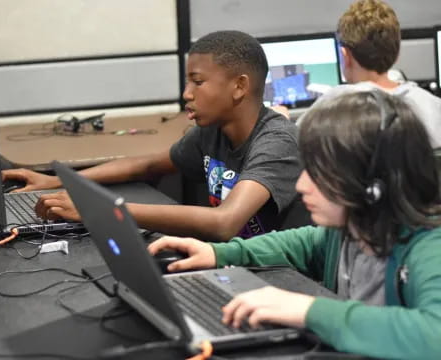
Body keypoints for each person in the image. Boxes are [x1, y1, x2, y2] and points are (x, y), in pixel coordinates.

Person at [148, 90, 441, 359]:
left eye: (317, 173)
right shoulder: (352, 232)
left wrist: (310, 310)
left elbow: (434, 336)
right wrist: (217, 253)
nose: (301, 185)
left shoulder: (429, 249)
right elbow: (305, 242)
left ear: (370, 185)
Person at [2, 30, 304, 242]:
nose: (186, 94)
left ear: (239, 86)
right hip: (229, 261)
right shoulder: (211, 131)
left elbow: (224, 223)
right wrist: (58, 179)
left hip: (275, 277)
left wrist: (100, 211)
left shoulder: (277, 142)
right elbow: (146, 166)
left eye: (198, 82)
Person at [296, 0, 441, 148]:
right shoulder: (433, 107)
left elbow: (294, 149)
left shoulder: (327, 109)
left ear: (345, 56)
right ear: (397, 53)